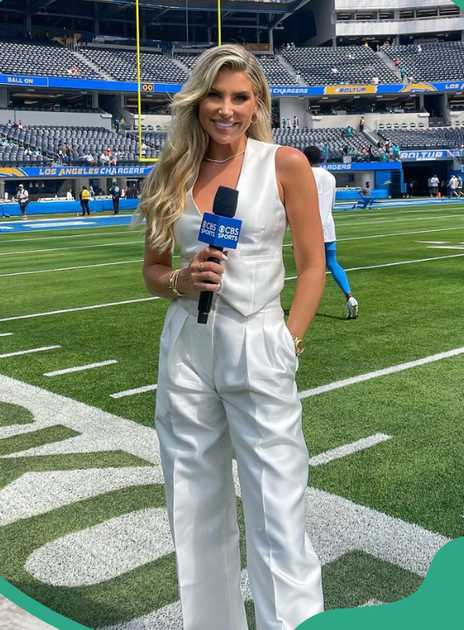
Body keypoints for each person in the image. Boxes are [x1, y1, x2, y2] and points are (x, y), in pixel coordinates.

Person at [136, 45, 325, 630]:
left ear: (257, 103)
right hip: (187, 347)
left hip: (258, 338)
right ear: (197, 102)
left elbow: (312, 265)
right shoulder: (171, 172)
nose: (226, 109)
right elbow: (153, 270)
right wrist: (180, 280)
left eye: (240, 97)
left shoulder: (285, 164)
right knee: (192, 505)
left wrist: (289, 339)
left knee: (278, 507)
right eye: (215, 96)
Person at [305, 146, 359, 319]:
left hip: (309, 226)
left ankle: (307, 304)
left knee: (307, 267)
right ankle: (349, 296)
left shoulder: (304, 174)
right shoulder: (330, 176)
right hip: (328, 224)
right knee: (332, 263)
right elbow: (332, 204)